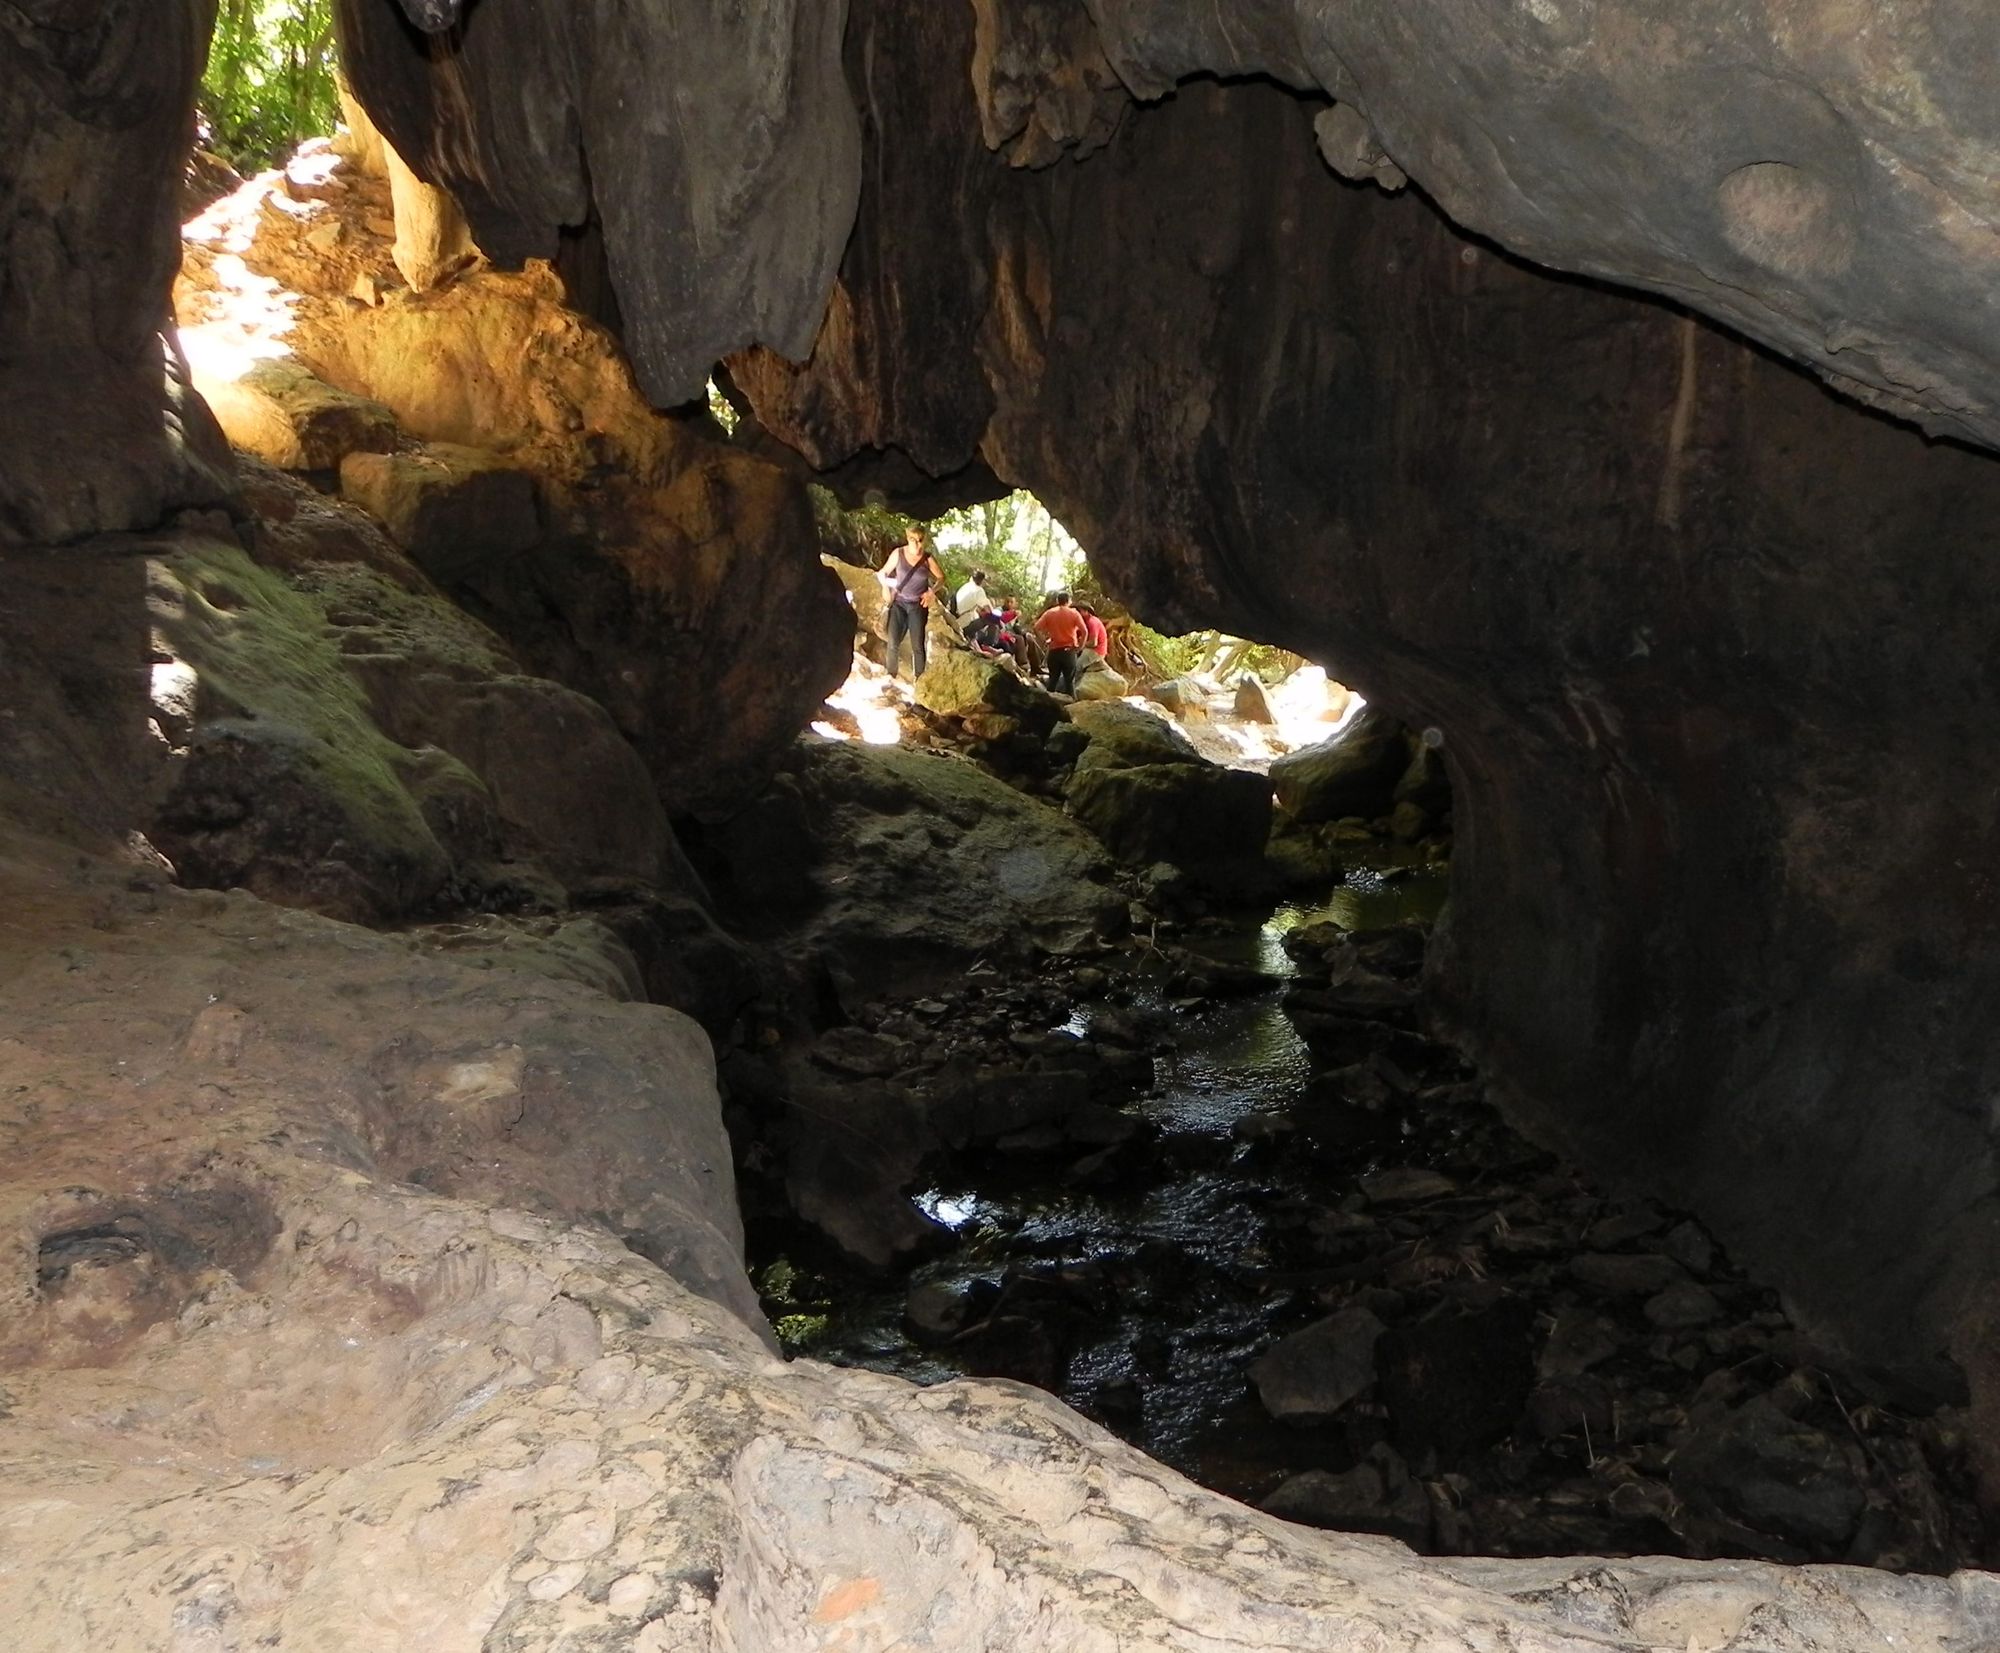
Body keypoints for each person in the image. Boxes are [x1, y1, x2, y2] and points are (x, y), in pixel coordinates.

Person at [879, 525, 942, 681]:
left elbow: (941, 578)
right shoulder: (898, 553)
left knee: (917, 645)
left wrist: (931, 591)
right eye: (914, 540)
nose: (917, 544)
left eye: (920, 540)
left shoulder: (927, 559)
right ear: (908, 538)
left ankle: (919, 679)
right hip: (899, 603)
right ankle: (890, 676)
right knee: (893, 641)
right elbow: (883, 572)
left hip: (917, 606)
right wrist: (885, 587)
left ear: (924, 540)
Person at [1034, 590, 1089, 695]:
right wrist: (1080, 647)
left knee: (1052, 681)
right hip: (1069, 651)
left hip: (1054, 651)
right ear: (1068, 601)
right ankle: (1071, 706)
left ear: (1057, 601)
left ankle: (1047, 705)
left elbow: (1036, 628)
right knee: (1069, 682)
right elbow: (1085, 631)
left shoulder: (1050, 613)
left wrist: (1044, 641)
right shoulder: (1074, 613)